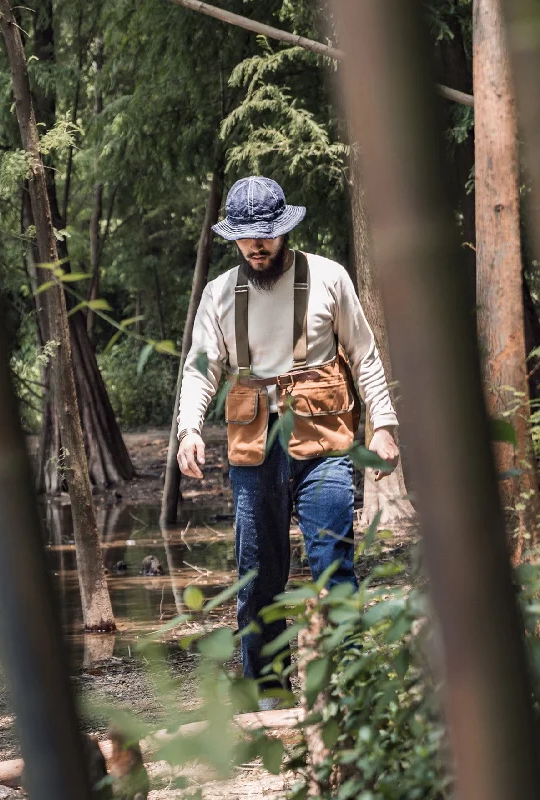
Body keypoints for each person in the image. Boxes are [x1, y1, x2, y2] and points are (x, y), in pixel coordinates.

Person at [176, 176, 399, 708]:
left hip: (323, 443)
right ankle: (268, 690)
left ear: (285, 230)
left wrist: (385, 424)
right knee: (257, 574)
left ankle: (350, 682)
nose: (257, 246)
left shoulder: (328, 278)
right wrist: (188, 428)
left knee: (332, 565)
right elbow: (200, 369)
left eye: (266, 236)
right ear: (234, 238)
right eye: (247, 238)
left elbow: (364, 354)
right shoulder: (218, 294)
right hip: (255, 452)